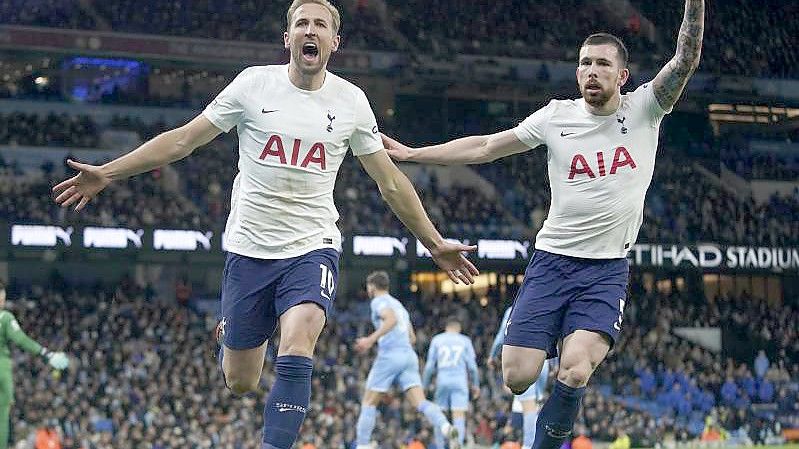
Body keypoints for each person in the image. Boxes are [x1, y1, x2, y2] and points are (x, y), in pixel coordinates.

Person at [52, 1, 479, 448]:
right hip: (249, 248)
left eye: (319, 24)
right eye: (300, 24)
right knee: (240, 381)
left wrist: (433, 242)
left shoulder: (351, 102)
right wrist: (109, 172)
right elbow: (183, 140)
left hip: (314, 244)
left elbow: (390, 181)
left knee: (299, 339)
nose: (308, 30)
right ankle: (229, 335)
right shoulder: (254, 85)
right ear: (287, 38)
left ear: (334, 42)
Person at [382, 1, 704, 447]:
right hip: (551, 262)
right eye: (584, 63)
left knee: (574, 368)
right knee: (516, 376)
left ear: (622, 76)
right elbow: (488, 147)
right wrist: (415, 154)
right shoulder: (557, 116)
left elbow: (686, 58)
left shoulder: (646, 108)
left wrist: (695, 6)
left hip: (606, 270)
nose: (591, 71)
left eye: (602, 64)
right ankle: (544, 340)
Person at [354, 272, 461, 449]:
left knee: (368, 401)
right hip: (408, 355)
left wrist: (370, 340)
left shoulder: (378, 302)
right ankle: (445, 426)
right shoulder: (399, 306)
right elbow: (412, 337)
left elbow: (391, 320)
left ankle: (363, 445)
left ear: (372, 286)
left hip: (390, 354)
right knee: (420, 402)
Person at [0, 280, 69, 449]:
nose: (2, 301)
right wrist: (47, 354)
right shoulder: (4, 317)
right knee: (2, 415)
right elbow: (21, 339)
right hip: (1, 370)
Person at [488, 307, 552, 449]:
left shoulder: (513, 309)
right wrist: (556, 362)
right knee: (535, 406)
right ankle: (538, 442)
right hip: (544, 359)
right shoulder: (548, 305)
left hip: (524, 356)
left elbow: (501, 337)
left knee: (528, 407)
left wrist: (493, 355)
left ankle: (529, 446)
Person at [423, 317, 480, 448]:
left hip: (442, 380)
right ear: (458, 328)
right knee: (458, 414)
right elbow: (472, 367)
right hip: (459, 381)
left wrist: (425, 385)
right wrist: (475, 385)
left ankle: (440, 446)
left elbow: (429, 366)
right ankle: (457, 444)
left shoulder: (437, 340)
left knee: (440, 414)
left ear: (446, 327)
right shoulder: (465, 341)